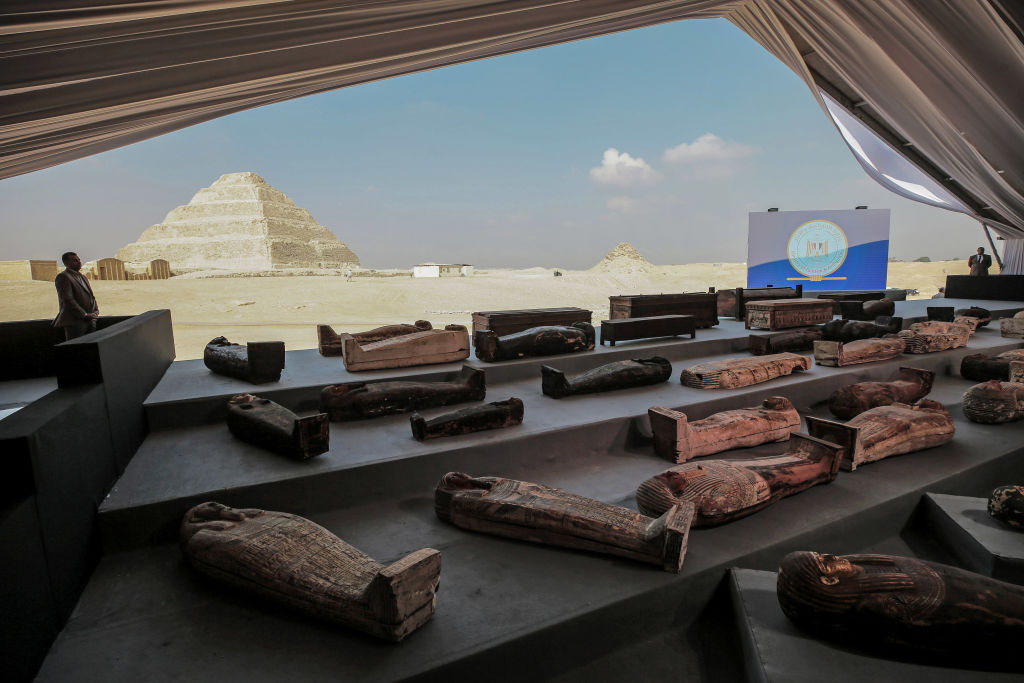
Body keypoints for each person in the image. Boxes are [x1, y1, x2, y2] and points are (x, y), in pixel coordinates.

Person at [54, 251, 99, 340]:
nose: (79, 262)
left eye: (78, 260)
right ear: (66, 263)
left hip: (90, 320)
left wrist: (96, 310)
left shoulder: (83, 277)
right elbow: (67, 299)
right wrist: (84, 314)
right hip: (75, 322)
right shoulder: (63, 277)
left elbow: (91, 296)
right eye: (75, 260)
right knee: (76, 350)